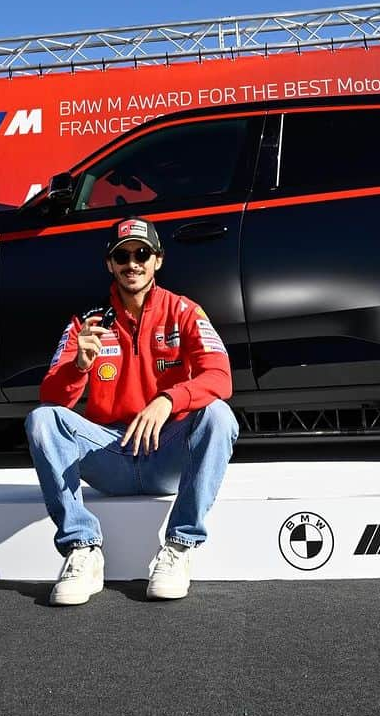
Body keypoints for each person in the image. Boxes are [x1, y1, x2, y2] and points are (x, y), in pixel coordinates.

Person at [25, 216, 239, 605]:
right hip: (110, 457)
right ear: (110, 265)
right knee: (41, 421)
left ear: (158, 260)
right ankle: (82, 550)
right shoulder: (86, 324)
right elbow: (52, 399)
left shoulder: (185, 311)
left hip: (167, 453)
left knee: (219, 415)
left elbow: (220, 377)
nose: (132, 263)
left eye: (142, 253)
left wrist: (169, 400)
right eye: (122, 256)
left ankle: (179, 547)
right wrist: (79, 367)